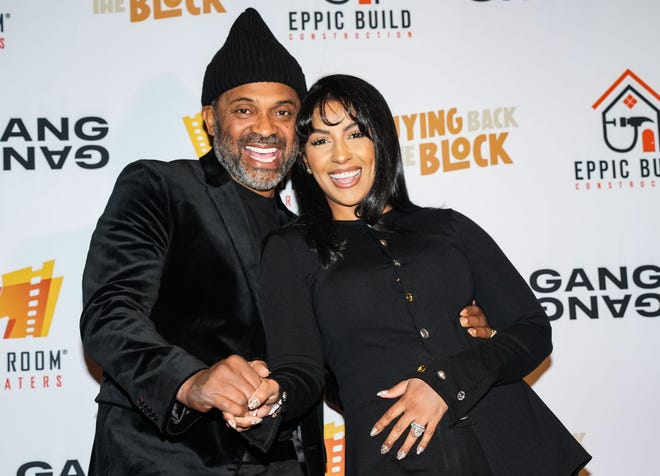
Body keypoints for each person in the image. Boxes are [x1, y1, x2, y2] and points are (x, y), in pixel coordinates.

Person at [248, 75, 592, 475]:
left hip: (515, 447)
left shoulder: (447, 228)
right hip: (396, 458)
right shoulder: (290, 250)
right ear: (305, 160)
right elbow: (302, 370)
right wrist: (274, 393)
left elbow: (532, 329)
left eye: (355, 134)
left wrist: (445, 381)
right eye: (321, 140)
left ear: (381, 142)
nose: (340, 155)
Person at [80, 8, 321, 475]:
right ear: (211, 119)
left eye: (284, 111)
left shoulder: (309, 235)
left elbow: (331, 360)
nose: (266, 128)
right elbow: (111, 312)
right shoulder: (161, 187)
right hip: (167, 460)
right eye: (244, 109)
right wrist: (190, 381)